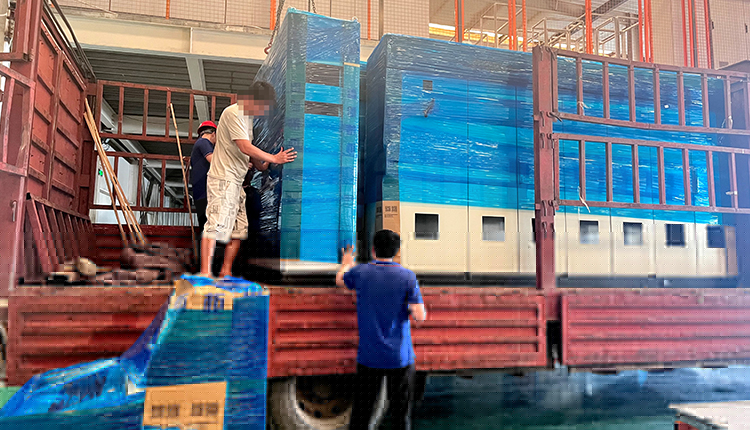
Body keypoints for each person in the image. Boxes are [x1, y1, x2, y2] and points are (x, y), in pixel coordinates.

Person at [200, 81, 297, 278]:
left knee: (239, 230)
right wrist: (274, 158)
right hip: (223, 178)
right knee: (215, 225)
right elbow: (244, 146)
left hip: (237, 182)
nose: (263, 111)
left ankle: (225, 272)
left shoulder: (247, 120)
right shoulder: (234, 113)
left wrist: (265, 164)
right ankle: (205, 273)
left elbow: (249, 153)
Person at [336, 230, 427, 430]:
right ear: (397, 251)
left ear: (373, 250)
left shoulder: (361, 273)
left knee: (361, 414)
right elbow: (420, 316)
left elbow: (340, 280)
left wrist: (346, 262)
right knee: (400, 417)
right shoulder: (408, 277)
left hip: (369, 356)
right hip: (399, 358)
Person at [189, 120, 217, 235]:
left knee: (205, 227)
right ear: (213, 134)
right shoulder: (204, 143)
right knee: (207, 227)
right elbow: (214, 161)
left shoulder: (199, 144)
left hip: (200, 191)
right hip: (204, 192)